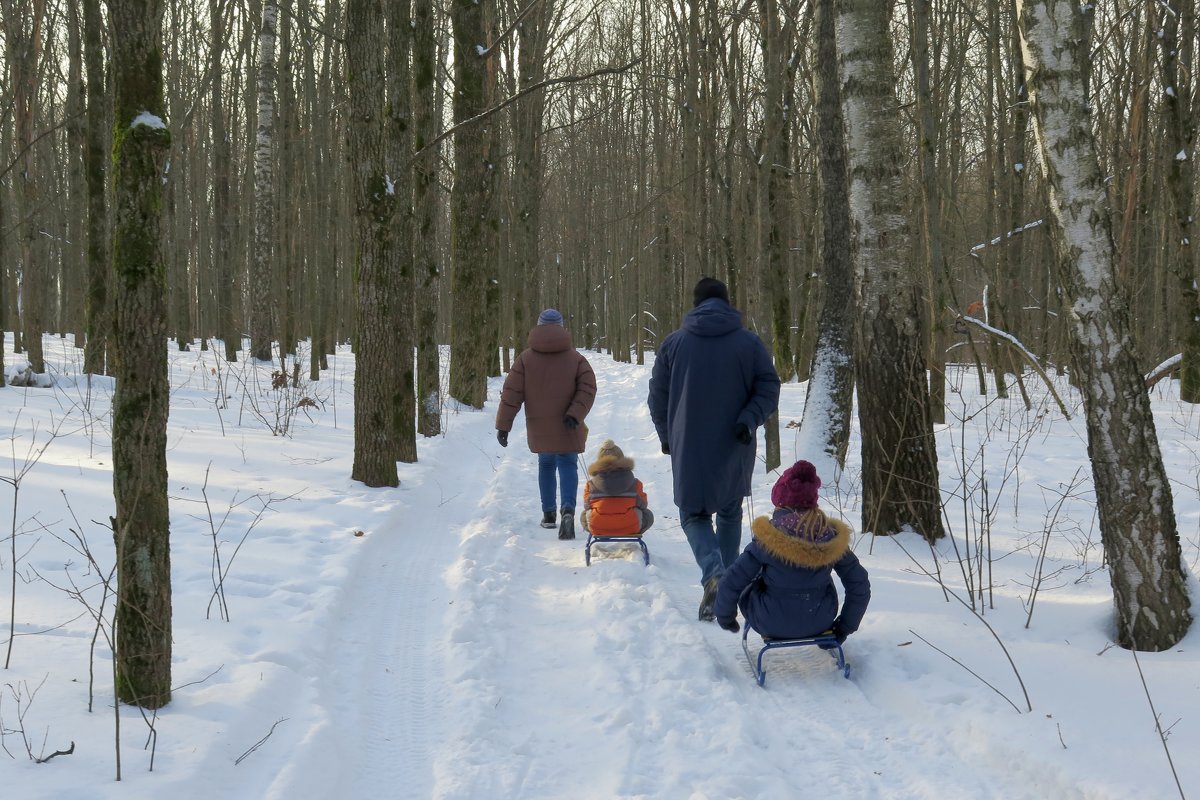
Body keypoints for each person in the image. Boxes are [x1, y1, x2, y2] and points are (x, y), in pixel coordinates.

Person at [647, 277, 780, 620]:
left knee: (693, 513)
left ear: (696, 304)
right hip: (734, 440)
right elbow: (769, 385)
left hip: (687, 441)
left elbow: (657, 397)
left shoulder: (673, 344)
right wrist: (749, 419)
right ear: (726, 302)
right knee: (730, 509)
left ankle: (715, 577)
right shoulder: (749, 343)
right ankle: (725, 590)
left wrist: (667, 435)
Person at [713, 460, 870, 643]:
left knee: (749, 577)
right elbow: (859, 585)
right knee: (824, 581)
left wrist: (726, 617)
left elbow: (731, 581)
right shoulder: (829, 537)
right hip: (820, 621)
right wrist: (843, 627)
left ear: (780, 503)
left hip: (769, 621)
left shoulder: (767, 539)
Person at [496, 308, 597, 540]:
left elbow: (511, 393)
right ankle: (568, 510)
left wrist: (504, 425)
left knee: (546, 465)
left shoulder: (525, 359)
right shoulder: (576, 359)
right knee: (568, 464)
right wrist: (575, 414)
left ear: (539, 327)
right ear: (562, 328)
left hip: (540, 427)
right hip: (568, 426)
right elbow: (588, 388)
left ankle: (549, 515)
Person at [581, 440, 654, 537]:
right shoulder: (635, 483)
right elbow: (643, 505)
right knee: (648, 514)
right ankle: (631, 533)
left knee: (583, 515)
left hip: (598, 526)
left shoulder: (591, 484)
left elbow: (587, 506)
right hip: (631, 526)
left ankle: (601, 532)